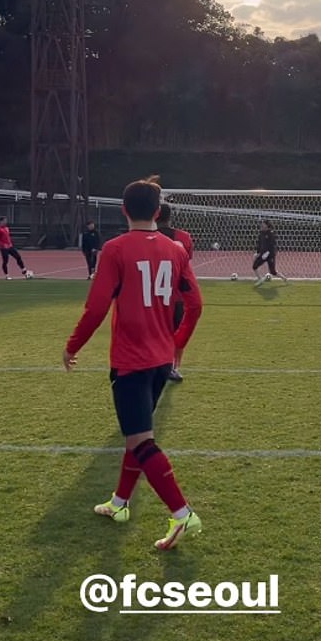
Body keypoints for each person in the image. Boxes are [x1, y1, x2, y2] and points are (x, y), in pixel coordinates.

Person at [63, 176, 203, 551]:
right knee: (135, 434)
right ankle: (120, 503)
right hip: (160, 362)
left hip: (131, 363)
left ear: (123, 210)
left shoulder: (115, 249)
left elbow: (95, 307)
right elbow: (195, 304)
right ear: (158, 212)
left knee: (142, 440)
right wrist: (176, 343)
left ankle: (181, 512)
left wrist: (72, 345)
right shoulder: (176, 250)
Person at [156, 201, 194, 383]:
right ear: (170, 217)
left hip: (151, 295)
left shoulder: (146, 238)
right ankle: (172, 367)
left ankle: (153, 365)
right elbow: (187, 263)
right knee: (175, 333)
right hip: (177, 295)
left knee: (154, 332)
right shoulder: (184, 237)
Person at [253, 219, 288, 284]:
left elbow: (273, 245)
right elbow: (259, 244)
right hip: (262, 255)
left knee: (272, 272)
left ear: (267, 226)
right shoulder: (261, 233)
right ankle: (260, 279)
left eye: (264, 224)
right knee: (254, 266)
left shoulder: (271, 233)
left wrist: (268, 253)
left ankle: (284, 278)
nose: (262, 225)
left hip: (270, 255)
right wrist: (258, 252)